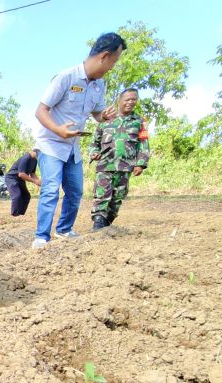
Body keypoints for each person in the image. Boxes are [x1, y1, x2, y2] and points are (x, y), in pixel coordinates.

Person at [32, 32, 126, 249]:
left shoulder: (99, 85)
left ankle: (64, 230)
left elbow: (96, 113)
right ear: (104, 56)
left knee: (75, 191)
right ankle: (41, 237)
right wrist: (58, 129)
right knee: (50, 189)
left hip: (73, 146)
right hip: (51, 144)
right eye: (114, 60)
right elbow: (40, 110)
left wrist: (104, 116)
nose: (113, 66)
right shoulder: (66, 77)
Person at [89, 88, 149, 229]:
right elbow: (94, 143)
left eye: (133, 99)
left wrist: (140, 164)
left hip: (125, 166)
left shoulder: (139, 122)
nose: (130, 102)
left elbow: (144, 144)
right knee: (102, 195)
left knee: (117, 198)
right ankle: (98, 225)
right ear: (120, 101)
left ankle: (107, 225)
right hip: (105, 165)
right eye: (127, 99)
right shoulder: (106, 120)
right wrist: (94, 153)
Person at [4, 149, 41, 216]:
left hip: (20, 179)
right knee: (17, 195)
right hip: (12, 178)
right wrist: (34, 181)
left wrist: (38, 181)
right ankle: (14, 214)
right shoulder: (26, 158)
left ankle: (21, 214)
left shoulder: (34, 160)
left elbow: (32, 173)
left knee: (26, 196)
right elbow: (21, 174)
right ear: (35, 152)